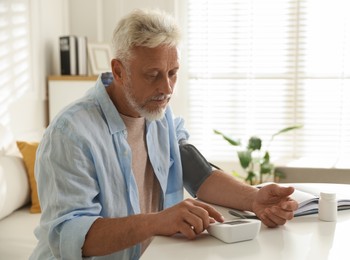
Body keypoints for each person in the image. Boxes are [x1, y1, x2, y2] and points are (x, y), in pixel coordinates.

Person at [30, 8, 298, 260]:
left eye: (173, 73)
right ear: (118, 71)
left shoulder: (158, 114)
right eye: (153, 75)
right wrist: (157, 221)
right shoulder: (70, 134)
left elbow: (197, 173)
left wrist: (253, 198)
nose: (167, 88)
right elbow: (69, 235)